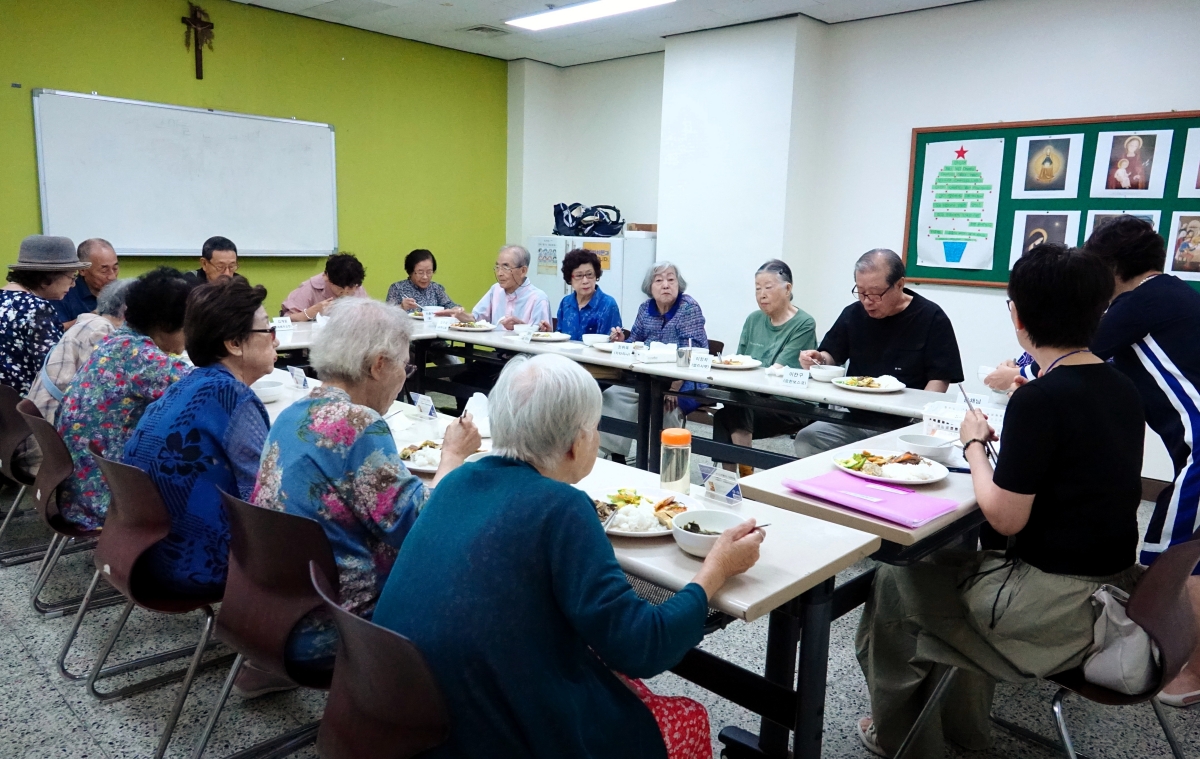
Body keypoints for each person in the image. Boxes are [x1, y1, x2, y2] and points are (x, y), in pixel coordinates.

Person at [373, 354, 764, 759]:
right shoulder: (562, 507)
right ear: (577, 443)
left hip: (405, 716)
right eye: (596, 428)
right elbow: (642, 647)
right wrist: (716, 569)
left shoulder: (456, 482)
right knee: (687, 716)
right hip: (493, 732)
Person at [855, 244, 1145, 758]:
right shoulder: (1122, 387)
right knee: (955, 570)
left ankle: (903, 740)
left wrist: (973, 443)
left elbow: (1005, 517)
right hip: (1112, 594)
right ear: (1100, 311)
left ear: (1018, 316)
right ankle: (967, 733)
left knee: (895, 580)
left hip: (1052, 609)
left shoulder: (1039, 398)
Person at [249, 298, 480, 687]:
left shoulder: (293, 413)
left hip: (270, 610)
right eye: (405, 366)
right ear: (378, 365)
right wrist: (453, 457)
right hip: (337, 623)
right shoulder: (359, 424)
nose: (404, 376)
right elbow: (423, 528)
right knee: (475, 567)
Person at [1086, 215, 1200, 708]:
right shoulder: (1173, 294)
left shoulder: (1137, 303)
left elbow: (1068, 356)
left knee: (1179, 562)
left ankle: (1190, 673)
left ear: (1112, 267)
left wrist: (1017, 370)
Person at [124, 278, 277, 596]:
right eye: (267, 329)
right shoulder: (231, 396)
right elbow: (266, 500)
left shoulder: (188, 385)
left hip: (148, 555)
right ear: (234, 343)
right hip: (204, 567)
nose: (275, 339)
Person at [56, 269, 194, 532]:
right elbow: (208, 389)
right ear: (166, 325)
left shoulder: (116, 343)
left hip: (80, 488)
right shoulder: (141, 357)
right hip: (104, 500)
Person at [795, 249, 963, 458]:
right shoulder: (853, 314)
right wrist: (818, 360)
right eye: (861, 292)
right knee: (808, 439)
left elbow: (939, 379)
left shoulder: (931, 318)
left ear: (899, 284)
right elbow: (831, 356)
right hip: (853, 417)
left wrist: (919, 422)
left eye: (875, 293)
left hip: (903, 423)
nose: (867, 301)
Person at [712, 260, 816, 474]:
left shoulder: (804, 323)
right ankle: (729, 482)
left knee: (734, 407)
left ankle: (741, 477)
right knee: (727, 413)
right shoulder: (753, 319)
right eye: (757, 289)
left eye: (768, 287)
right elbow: (739, 361)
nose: (762, 295)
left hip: (790, 403)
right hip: (753, 399)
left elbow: (776, 370)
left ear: (788, 289)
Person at [600, 262, 708, 461]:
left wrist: (674, 387)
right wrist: (622, 342)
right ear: (650, 287)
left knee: (667, 408)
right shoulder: (645, 309)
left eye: (671, 279)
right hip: (646, 379)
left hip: (684, 381)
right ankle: (617, 455)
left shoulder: (688, 308)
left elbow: (693, 351)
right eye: (659, 280)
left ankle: (667, 462)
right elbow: (635, 342)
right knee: (613, 396)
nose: (666, 285)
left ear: (678, 284)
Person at [27, 278, 134, 421]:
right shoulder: (101, 330)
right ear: (126, 309)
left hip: (45, 415)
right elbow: (102, 388)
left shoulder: (90, 322)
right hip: (54, 420)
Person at [0, 236, 91, 395]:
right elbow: (55, 369)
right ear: (47, 277)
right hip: (19, 405)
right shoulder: (38, 309)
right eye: (71, 277)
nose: (73, 284)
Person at [539, 247, 622, 339]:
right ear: (570, 279)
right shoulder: (566, 303)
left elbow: (613, 341)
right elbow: (560, 336)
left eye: (589, 274)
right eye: (579, 276)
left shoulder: (608, 304)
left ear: (596, 275)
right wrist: (549, 334)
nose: (585, 281)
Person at [465, 245, 550, 330]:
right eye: (497, 267)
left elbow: (541, 335)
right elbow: (477, 319)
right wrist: (461, 315)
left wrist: (521, 327)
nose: (499, 273)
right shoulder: (495, 290)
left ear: (523, 271)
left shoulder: (538, 299)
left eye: (506, 268)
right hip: (494, 339)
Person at [281, 252, 369, 322]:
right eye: (340, 290)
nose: (346, 293)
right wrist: (309, 313)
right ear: (326, 277)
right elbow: (285, 319)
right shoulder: (310, 288)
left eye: (351, 289)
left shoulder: (356, 285)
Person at [53, 238, 119, 327]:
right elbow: (53, 329)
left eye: (115, 268)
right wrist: (89, 320)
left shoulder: (122, 293)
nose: (112, 276)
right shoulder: (62, 293)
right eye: (104, 271)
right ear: (82, 270)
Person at [386, 249, 458, 313]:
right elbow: (387, 314)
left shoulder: (435, 288)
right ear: (410, 272)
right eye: (420, 272)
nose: (425, 277)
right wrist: (401, 307)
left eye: (429, 272)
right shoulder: (397, 288)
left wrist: (457, 309)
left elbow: (449, 305)